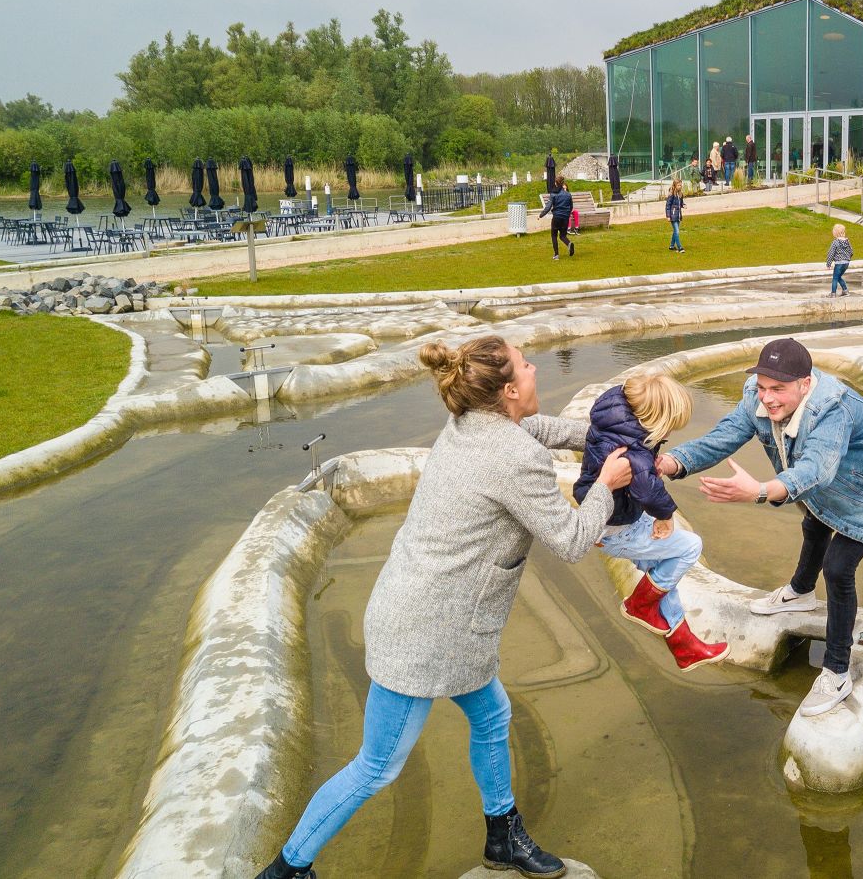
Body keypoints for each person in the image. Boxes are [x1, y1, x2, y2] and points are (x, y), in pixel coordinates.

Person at [252, 336, 633, 879]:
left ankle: (502, 836)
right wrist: (608, 485)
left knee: (493, 714)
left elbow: (542, 429)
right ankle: (287, 870)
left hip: (431, 614)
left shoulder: (473, 425)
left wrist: (610, 435)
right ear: (507, 391)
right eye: (527, 366)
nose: (534, 371)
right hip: (431, 634)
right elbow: (571, 541)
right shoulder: (512, 455)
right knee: (377, 765)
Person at [656, 338, 863, 717]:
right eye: (762, 387)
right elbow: (723, 437)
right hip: (834, 474)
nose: (768, 398)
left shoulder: (833, 410)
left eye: (778, 388)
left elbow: (816, 471)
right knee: (814, 524)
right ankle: (800, 592)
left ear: (805, 384)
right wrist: (673, 462)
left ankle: (837, 670)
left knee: (839, 567)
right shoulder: (757, 398)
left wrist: (759, 492)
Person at [574, 374, 729, 670]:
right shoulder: (633, 450)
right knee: (689, 547)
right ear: (656, 419)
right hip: (619, 529)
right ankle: (640, 605)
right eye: (669, 427)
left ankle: (685, 646)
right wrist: (666, 516)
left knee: (660, 576)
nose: (668, 434)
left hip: (608, 519)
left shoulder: (614, 418)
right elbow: (648, 489)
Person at [539, 176, 574, 260]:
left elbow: (548, 207)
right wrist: (567, 214)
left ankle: (556, 255)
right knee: (562, 236)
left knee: (554, 235)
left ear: (556, 183)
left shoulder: (553, 194)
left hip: (557, 217)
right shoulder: (568, 194)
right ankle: (569, 243)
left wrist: (540, 215)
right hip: (565, 218)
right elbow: (571, 207)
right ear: (562, 183)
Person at [826, 222, 853, 297]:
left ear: (835, 233)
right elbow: (851, 251)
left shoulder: (835, 242)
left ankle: (833, 293)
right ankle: (845, 291)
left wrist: (828, 264)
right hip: (846, 263)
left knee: (835, 278)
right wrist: (847, 259)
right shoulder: (847, 242)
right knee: (838, 277)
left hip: (839, 263)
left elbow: (830, 253)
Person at [665, 178, 686, 253]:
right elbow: (668, 205)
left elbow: (681, 203)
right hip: (673, 215)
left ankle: (671, 245)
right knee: (677, 231)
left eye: (681, 185)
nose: (680, 186)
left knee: (675, 231)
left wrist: (684, 205)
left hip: (678, 215)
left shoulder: (680, 194)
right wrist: (668, 216)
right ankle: (680, 247)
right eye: (678, 185)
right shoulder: (671, 194)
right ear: (675, 185)